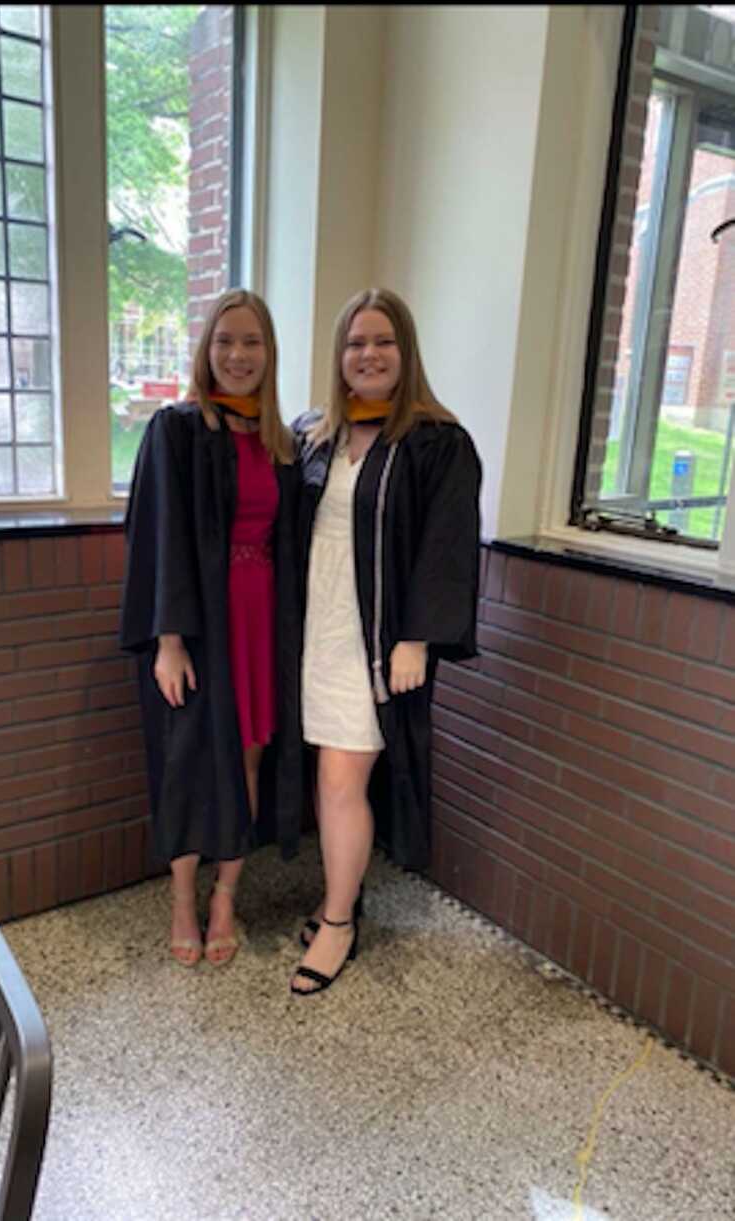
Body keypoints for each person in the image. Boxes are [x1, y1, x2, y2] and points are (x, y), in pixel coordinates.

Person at [290, 287, 481, 996]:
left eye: (383, 342)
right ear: (338, 357)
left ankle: (339, 920)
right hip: (314, 633)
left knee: (342, 781)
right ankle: (342, 890)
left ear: (406, 353)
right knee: (329, 777)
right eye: (355, 343)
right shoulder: (317, 433)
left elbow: (447, 544)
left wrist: (418, 638)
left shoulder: (437, 441)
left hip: (371, 644)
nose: (368, 355)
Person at [120, 289, 302, 968]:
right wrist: (168, 639)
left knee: (249, 754)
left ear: (269, 353)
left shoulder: (281, 442)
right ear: (206, 349)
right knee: (187, 755)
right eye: (225, 340)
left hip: (259, 614)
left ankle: (227, 895)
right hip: (199, 621)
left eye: (252, 342)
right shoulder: (177, 430)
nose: (238, 355)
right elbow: (157, 533)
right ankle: (180, 898)